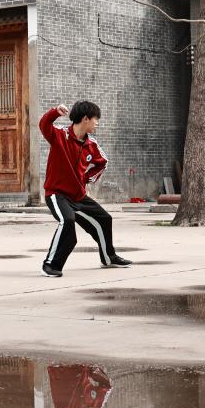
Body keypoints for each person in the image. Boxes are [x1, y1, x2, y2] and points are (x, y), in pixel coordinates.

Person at [39, 101, 132, 277]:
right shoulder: (60, 135)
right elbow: (44, 125)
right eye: (96, 119)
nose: (97, 123)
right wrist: (55, 112)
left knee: (104, 219)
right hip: (57, 194)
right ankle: (51, 265)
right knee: (67, 222)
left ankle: (108, 257)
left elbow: (103, 163)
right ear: (85, 119)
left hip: (78, 196)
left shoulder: (91, 144)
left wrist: (87, 178)